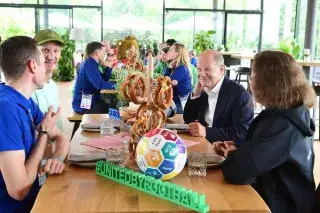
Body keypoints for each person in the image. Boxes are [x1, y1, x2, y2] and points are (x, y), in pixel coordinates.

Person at [216, 50, 316, 213]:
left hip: (278, 205)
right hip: (293, 198)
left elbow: (236, 172)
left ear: (267, 83)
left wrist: (232, 155)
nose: (250, 81)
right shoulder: (296, 112)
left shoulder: (281, 126)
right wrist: (237, 152)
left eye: (252, 76)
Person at [0, 36, 70, 212]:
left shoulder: (25, 100)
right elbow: (19, 190)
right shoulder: (5, 108)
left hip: (36, 196)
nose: (47, 64)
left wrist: (57, 159)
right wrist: (43, 134)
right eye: (42, 60)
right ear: (32, 66)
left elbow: (61, 138)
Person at [183, 50, 253, 146]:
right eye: (199, 69)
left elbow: (243, 132)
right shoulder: (204, 89)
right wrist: (196, 94)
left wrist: (206, 132)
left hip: (224, 153)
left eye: (207, 69)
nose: (202, 74)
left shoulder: (239, 94)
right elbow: (188, 119)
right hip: (202, 144)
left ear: (221, 70)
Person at [33, 29, 64, 131]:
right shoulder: (30, 88)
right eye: (45, 50)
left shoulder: (52, 85)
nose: (51, 57)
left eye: (56, 51)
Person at [72, 42, 115, 114]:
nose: (104, 55)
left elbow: (103, 80)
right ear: (97, 53)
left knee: (112, 108)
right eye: (103, 53)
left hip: (91, 100)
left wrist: (108, 68)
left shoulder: (92, 63)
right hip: (84, 104)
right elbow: (100, 85)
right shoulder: (90, 65)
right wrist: (117, 86)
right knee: (111, 110)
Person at [165, 43, 193, 114]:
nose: (168, 52)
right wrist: (169, 68)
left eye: (171, 50)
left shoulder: (181, 68)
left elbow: (165, 83)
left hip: (179, 105)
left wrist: (168, 69)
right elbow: (165, 80)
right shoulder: (175, 67)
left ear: (177, 53)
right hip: (175, 102)